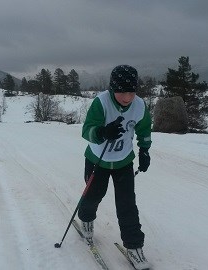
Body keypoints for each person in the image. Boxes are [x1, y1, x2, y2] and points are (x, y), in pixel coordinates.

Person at [78, 65, 152, 269]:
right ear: (112, 89)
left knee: (127, 204)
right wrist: (102, 132)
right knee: (93, 195)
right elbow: (87, 130)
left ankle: (135, 247)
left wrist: (144, 150)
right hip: (97, 159)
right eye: (122, 91)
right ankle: (86, 218)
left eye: (131, 91)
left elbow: (144, 129)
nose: (127, 97)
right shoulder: (101, 102)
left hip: (123, 161)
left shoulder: (139, 106)